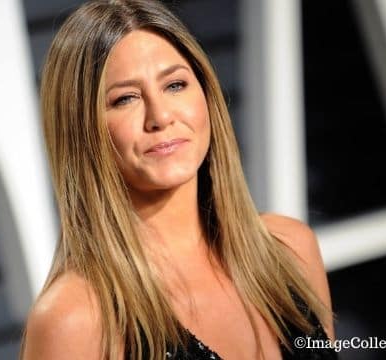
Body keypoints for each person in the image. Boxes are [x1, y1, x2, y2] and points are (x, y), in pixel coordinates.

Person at [20, 0, 336, 359]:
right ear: (82, 131)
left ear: (206, 94)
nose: (160, 116)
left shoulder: (291, 249)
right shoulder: (74, 320)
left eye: (174, 85)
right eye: (125, 98)